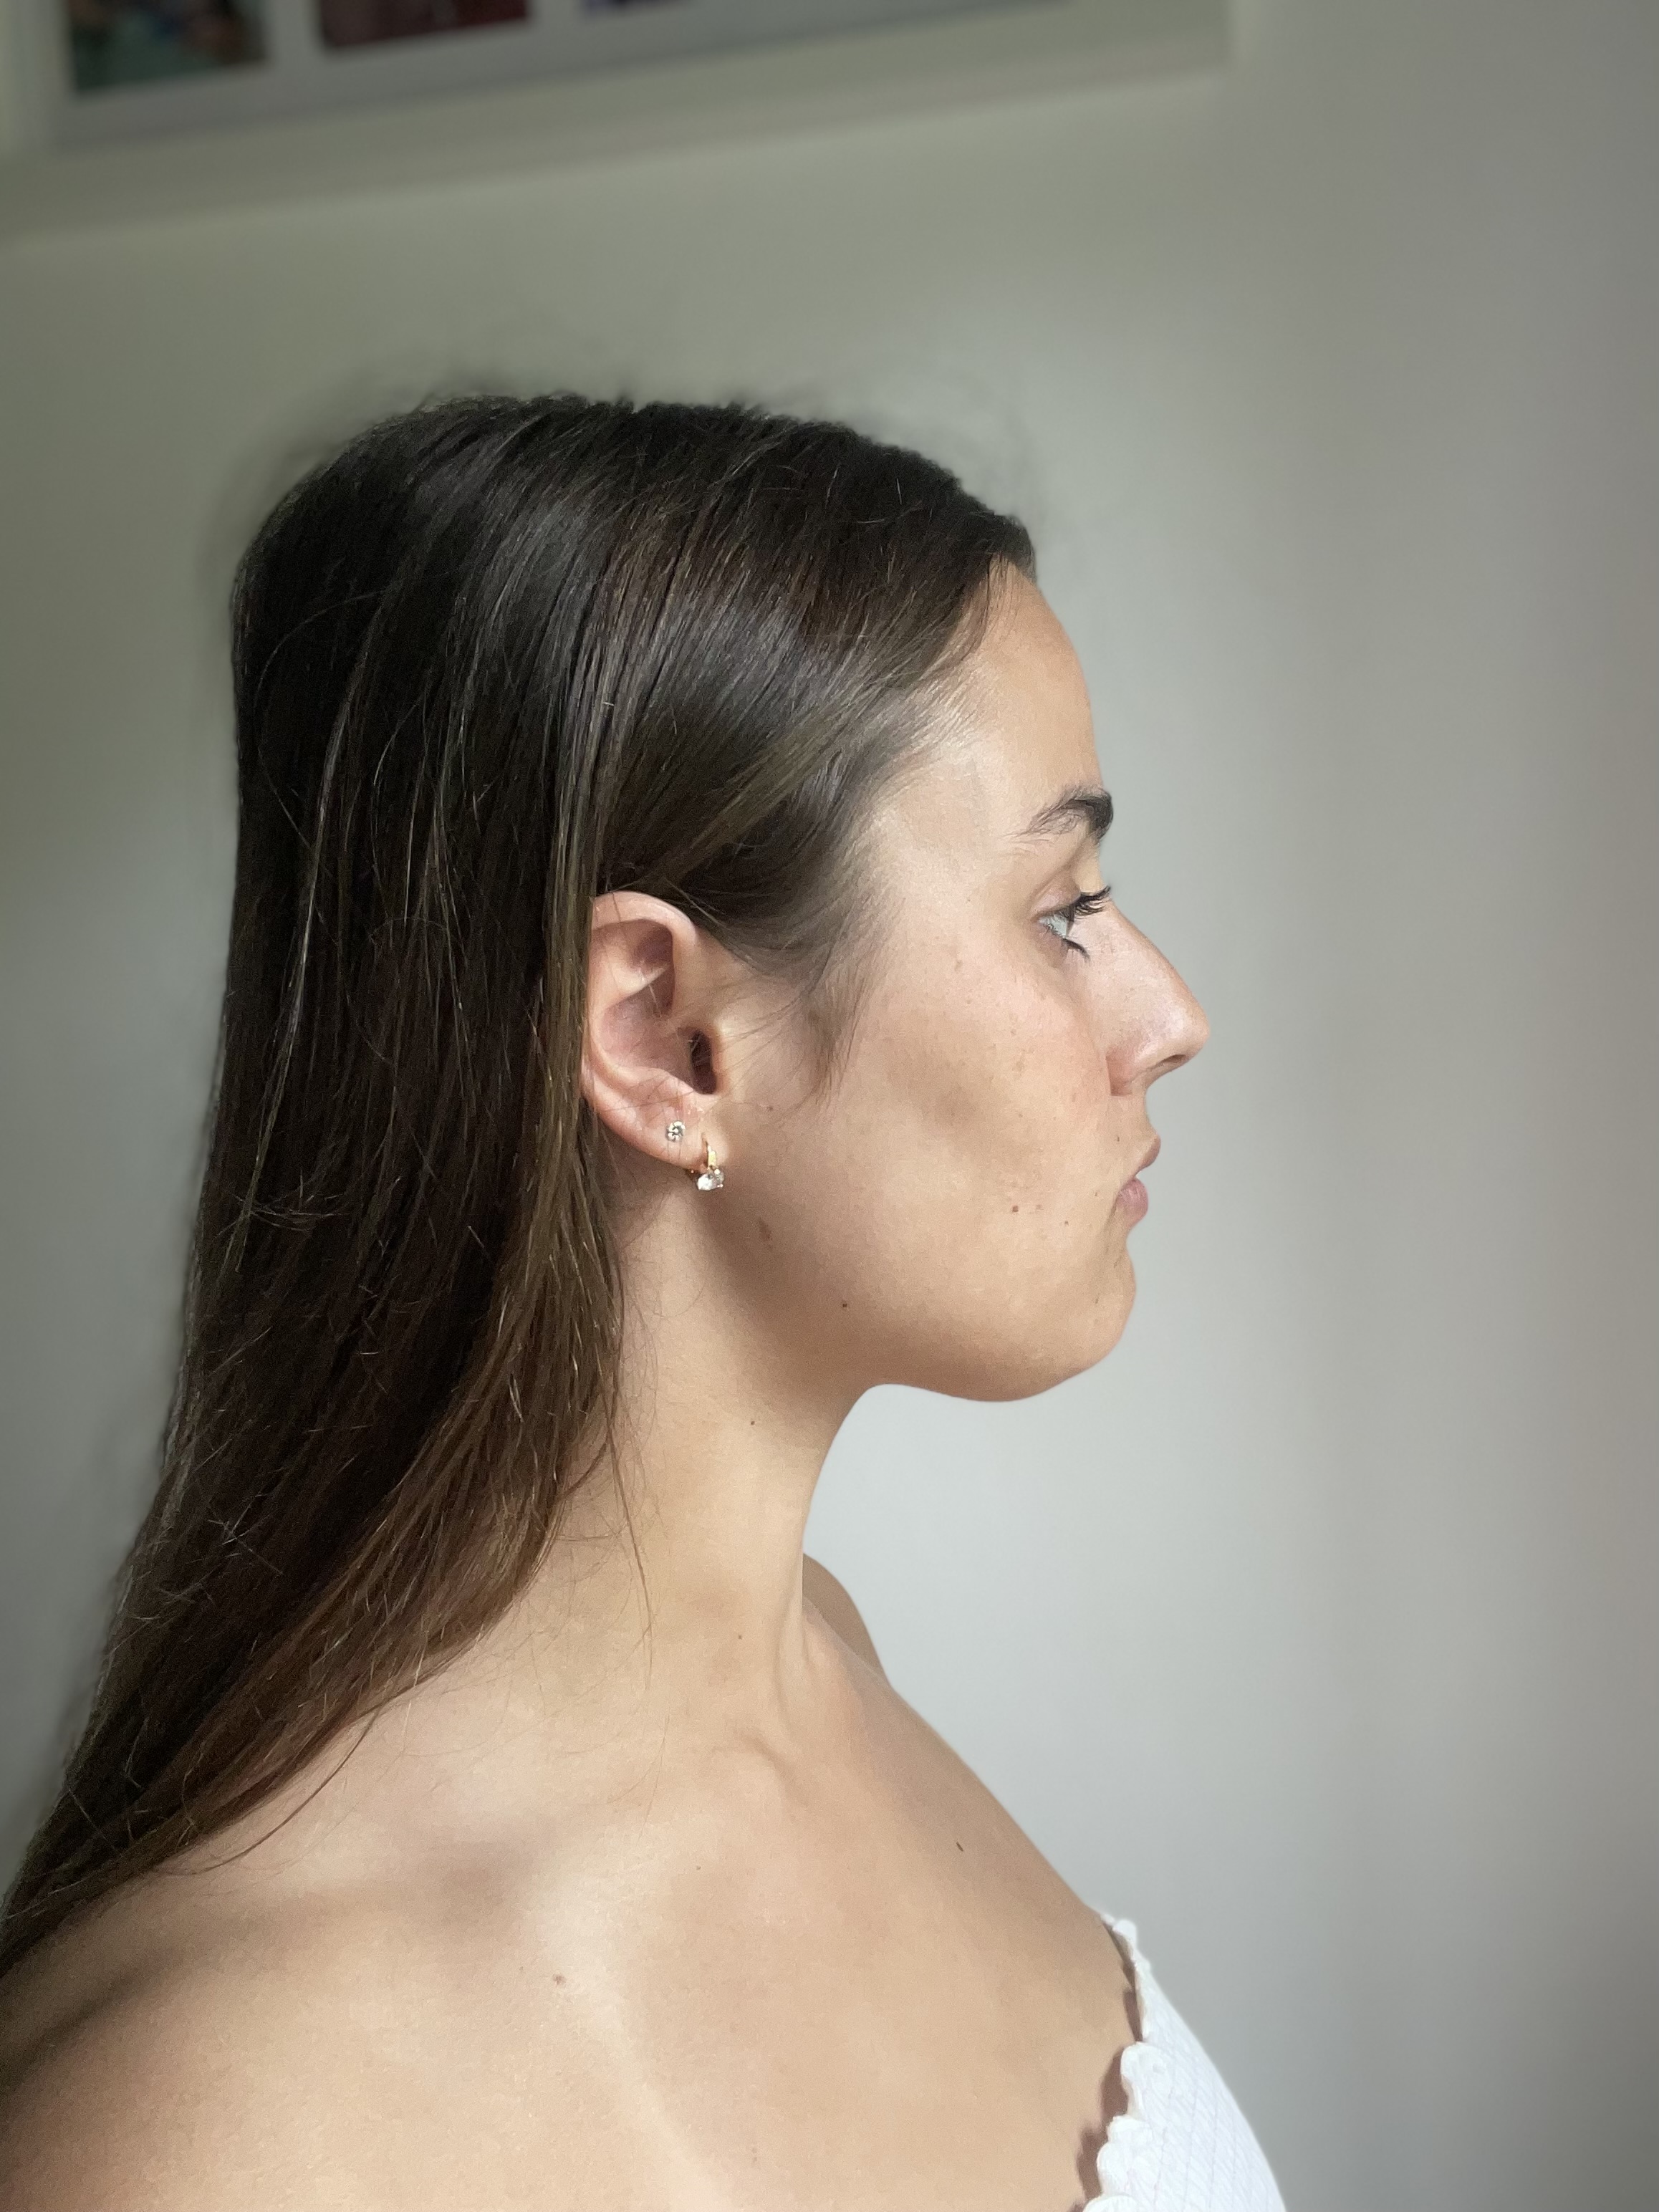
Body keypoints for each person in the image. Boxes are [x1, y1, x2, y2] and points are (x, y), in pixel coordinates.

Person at [0, 395, 1283, 2210]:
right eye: (1062, 907)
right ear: (665, 1036)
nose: (1169, 1014)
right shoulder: (208, 2134)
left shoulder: (823, 1662)